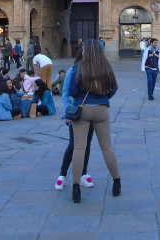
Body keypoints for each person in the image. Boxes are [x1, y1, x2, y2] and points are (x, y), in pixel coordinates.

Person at [67, 39, 121, 204]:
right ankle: (116, 182)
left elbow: (72, 90)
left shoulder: (79, 67)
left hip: (82, 110)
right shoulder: (105, 67)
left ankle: (76, 188)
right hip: (101, 110)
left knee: (79, 148)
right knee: (106, 148)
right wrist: (103, 98)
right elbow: (114, 88)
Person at [56, 50, 94, 192]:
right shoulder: (72, 72)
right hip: (76, 113)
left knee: (87, 144)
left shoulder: (93, 72)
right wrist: (68, 112)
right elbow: (65, 95)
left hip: (90, 112)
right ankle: (62, 175)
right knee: (74, 144)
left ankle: (83, 173)